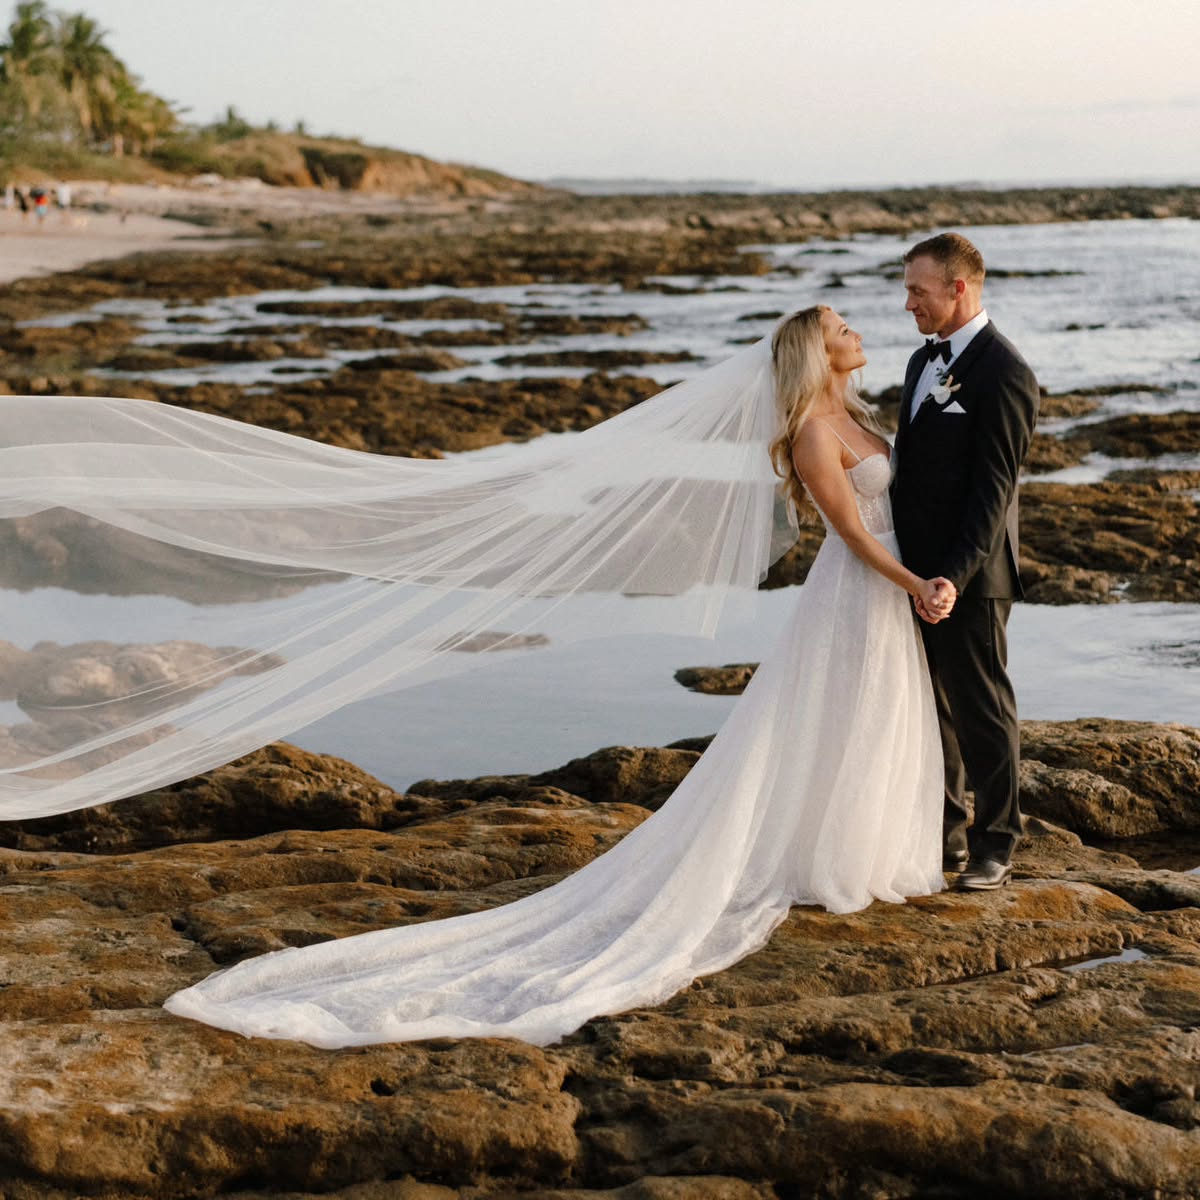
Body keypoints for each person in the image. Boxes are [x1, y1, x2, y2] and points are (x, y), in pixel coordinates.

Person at [160, 306, 954, 1048]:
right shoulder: (816, 432)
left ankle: (854, 849)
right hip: (861, 591)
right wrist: (914, 584)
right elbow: (850, 533)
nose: (854, 330)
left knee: (873, 716)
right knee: (841, 715)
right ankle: (823, 858)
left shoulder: (858, 415)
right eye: (839, 326)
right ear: (815, 353)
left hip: (889, 589)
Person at [891, 232, 1040, 892]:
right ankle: (947, 835)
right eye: (906, 290)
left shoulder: (1004, 372)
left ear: (959, 288)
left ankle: (996, 843)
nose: (908, 304)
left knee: (982, 710)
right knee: (932, 710)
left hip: (969, 579)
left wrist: (955, 573)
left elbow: (994, 491)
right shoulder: (921, 361)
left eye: (917, 291)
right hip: (912, 574)